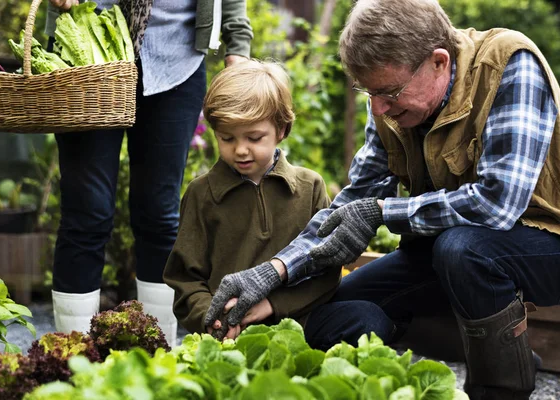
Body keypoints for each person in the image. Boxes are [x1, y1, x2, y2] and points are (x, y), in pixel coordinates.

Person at [204, 0, 560, 398]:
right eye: (369, 93)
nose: (379, 109)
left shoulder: (510, 64)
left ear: (438, 62)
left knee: (462, 249)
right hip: (456, 251)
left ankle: (501, 388)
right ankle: (493, 351)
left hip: (546, 243)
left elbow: (497, 204)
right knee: (345, 301)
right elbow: (351, 205)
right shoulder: (390, 105)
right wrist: (274, 272)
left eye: (389, 92)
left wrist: (382, 212)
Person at [45, 0, 252, 348]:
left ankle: (156, 357)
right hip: (86, 52)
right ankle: (72, 360)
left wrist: (238, 48)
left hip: (177, 59)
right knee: (86, 214)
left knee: (159, 214)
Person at [162, 60, 351, 343]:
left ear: (282, 130)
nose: (240, 150)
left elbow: (326, 269)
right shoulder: (202, 194)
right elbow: (185, 279)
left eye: (254, 137)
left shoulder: (309, 187)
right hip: (228, 338)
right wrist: (213, 320)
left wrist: (273, 305)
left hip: (299, 329)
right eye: (227, 138)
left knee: (364, 317)